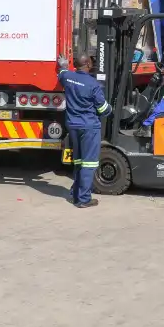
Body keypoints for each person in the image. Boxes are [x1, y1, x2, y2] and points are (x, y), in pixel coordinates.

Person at [57, 50, 110, 209]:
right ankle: (84, 199)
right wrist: (110, 109)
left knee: (79, 161)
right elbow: (103, 109)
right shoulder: (93, 84)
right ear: (87, 64)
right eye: (91, 61)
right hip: (88, 127)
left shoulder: (68, 77)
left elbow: (62, 72)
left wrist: (63, 65)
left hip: (73, 125)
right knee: (89, 163)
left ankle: (75, 193)